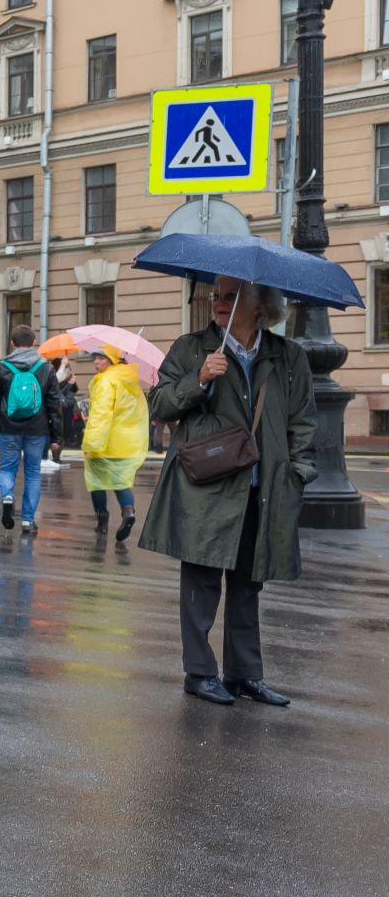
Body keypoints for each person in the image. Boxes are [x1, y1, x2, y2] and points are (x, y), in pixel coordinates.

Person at [139, 276, 316, 709]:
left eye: (231, 297)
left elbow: (303, 420)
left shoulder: (287, 355)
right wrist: (198, 379)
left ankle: (245, 674)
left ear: (261, 305)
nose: (219, 304)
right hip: (206, 485)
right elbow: (160, 405)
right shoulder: (192, 348)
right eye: (216, 296)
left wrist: (297, 472)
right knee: (200, 583)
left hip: (262, 487)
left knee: (247, 585)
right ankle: (199, 673)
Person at [0, 324, 62, 535]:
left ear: (12, 342)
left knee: (7, 468)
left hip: (8, 427)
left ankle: (7, 496)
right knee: (32, 474)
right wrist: (56, 435)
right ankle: (28, 520)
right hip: (37, 430)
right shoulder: (45, 368)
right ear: (34, 343)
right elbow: (54, 404)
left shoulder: (2, 367)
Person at [80, 346, 148, 544]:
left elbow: (101, 415)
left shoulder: (105, 381)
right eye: (95, 358)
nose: (96, 362)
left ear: (111, 360)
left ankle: (102, 520)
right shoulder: (128, 380)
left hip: (105, 441)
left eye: (101, 358)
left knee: (96, 482)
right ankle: (129, 512)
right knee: (121, 482)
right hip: (126, 442)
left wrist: (91, 443)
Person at [45, 358, 79, 471]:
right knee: (57, 435)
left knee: (64, 436)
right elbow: (57, 394)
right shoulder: (54, 379)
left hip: (68, 412)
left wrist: (72, 382)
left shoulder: (66, 378)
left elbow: (75, 390)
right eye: (65, 366)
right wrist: (69, 384)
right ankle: (54, 458)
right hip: (59, 412)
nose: (67, 368)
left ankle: (58, 458)